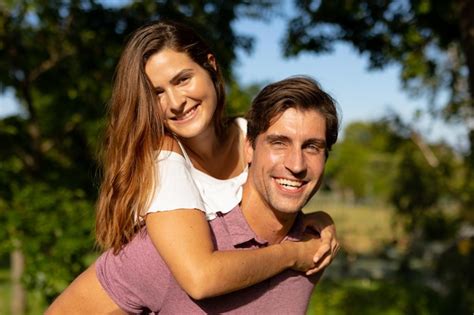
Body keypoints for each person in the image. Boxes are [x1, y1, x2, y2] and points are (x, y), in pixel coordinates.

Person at [46, 75, 340, 314]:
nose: (297, 164)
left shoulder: (314, 247)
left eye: (312, 147)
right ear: (248, 147)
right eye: (279, 142)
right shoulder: (175, 248)